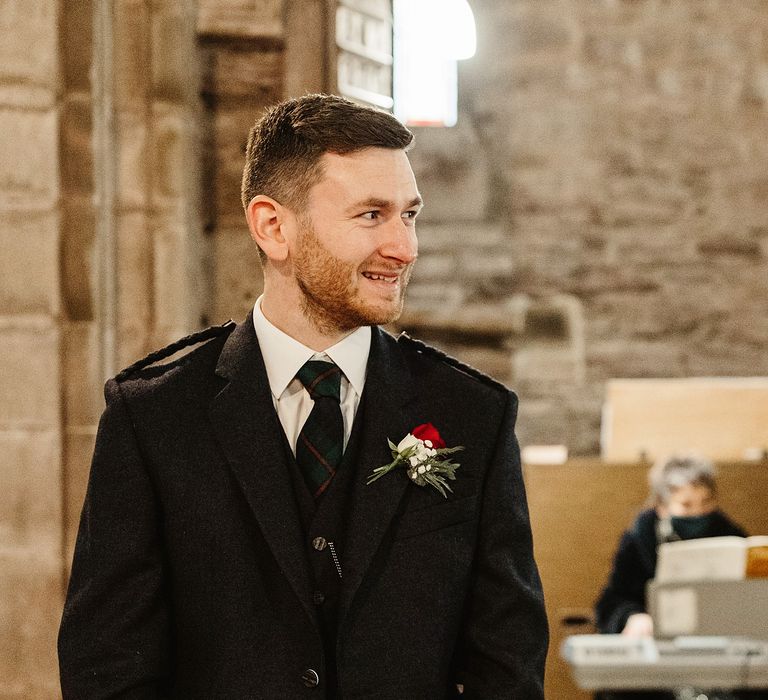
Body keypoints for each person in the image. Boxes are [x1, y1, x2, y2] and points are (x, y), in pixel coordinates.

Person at [58, 93, 548, 699]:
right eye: (372, 215)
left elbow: (508, 668)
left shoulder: (473, 415)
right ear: (273, 227)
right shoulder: (155, 417)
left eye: (409, 215)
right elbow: (107, 670)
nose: (404, 247)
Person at [594, 454, 748, 700]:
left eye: (706, 502)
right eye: (686, 505)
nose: (699, 513)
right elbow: (611, 601)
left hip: (719, 651)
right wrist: (633, 617)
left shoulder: (730, 534)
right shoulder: (639, 538)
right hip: (659, 652)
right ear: (663, 507)